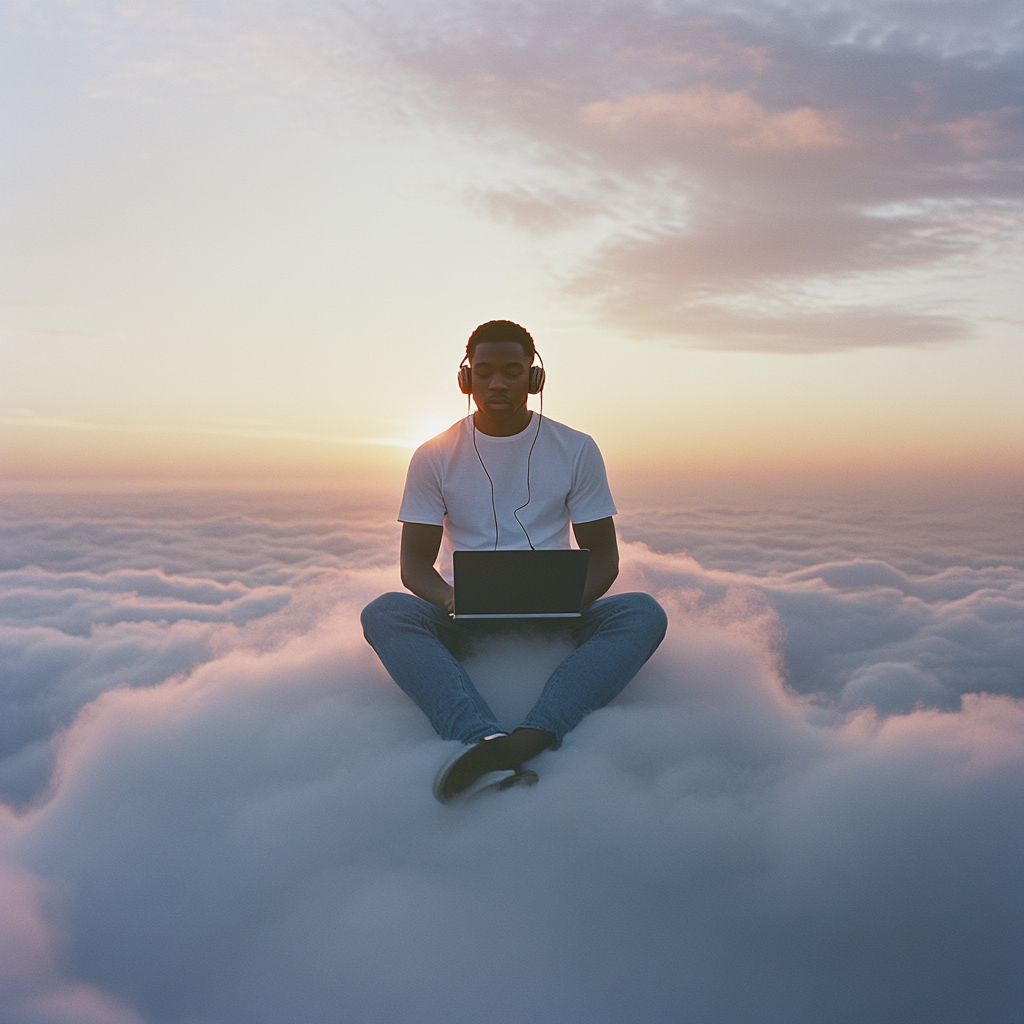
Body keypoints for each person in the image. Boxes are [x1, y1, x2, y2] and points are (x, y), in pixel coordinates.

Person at [361, 320, 667, 802]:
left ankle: (533, 736)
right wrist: (449, 598)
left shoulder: (576, 448)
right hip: (466, 617)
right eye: (484, 372)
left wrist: (566, 600)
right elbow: (414, 565)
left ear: (533, 377)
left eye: (511, 370)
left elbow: (604, 556)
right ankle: (481, 738)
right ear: (467, 379)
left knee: (642, 613)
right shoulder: (433, 456)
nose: (497, 383)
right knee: (385, 612)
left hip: (560, 614)